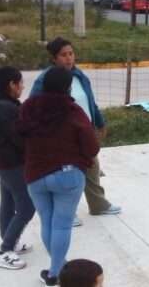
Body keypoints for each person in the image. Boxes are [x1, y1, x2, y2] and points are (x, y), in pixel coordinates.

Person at [18, 67, 100, 286]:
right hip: (68, 175)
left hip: (35, 174)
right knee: (62, 225)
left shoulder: (27, 108)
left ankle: (58, 267)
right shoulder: (73, 111)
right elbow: (91, 146)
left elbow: (18, 136)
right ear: (68, 87)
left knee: (47, 221)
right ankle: (56, 273)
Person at [30, 37, 121, 226]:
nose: (69, 58)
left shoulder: (79, 76)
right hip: (62, 138)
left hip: (84, 132)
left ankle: (98, 205)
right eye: (63, 55)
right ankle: (66, 214)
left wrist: (100, 123)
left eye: (71, 53)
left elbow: (90, 102)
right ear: (54, 58)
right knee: (67, 175)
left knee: (92, 167)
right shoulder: (46, 80)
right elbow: (33, 106)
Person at [0, 66, 36, 270]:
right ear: (11, 85)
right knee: (27, 206)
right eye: (20, 83)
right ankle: (5, 251)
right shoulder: (7, 108)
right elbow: (19, 139)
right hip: (12, 164)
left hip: (2, 163)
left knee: (8, 202)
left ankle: (10, 241)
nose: (22, 87)